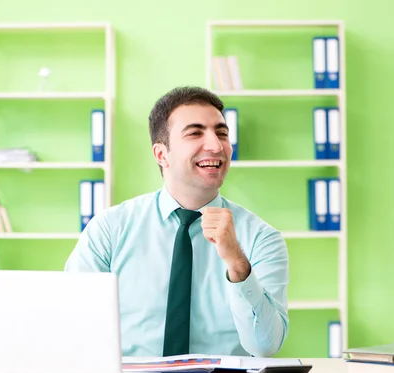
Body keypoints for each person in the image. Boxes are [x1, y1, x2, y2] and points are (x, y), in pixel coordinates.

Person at [64, 86, 289, 358]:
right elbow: (74, 326)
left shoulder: (261, 238)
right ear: (161, 154)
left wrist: (237, 264)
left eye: (222, 133)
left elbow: (264, 347)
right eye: (195, 133)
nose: (216, 146)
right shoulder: (110, 230)